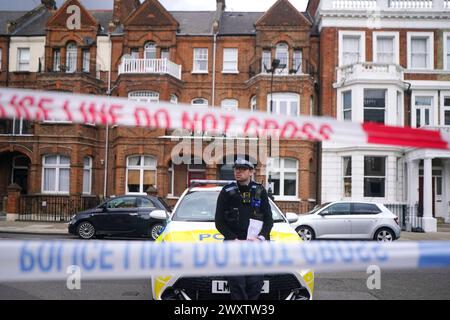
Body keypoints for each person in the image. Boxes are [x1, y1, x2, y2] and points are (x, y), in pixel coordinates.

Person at [215, 158, 273, 300]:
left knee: (255, 283)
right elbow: (219, 221)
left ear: (251, 171)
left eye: (242, 169)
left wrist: (261, 238)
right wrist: (233, 238)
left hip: (255, 244)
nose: (238, 172)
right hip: (234, 244)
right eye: (236, 169)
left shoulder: (259, 191)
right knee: (237, 283)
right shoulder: (227, 191)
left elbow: (268, 220)